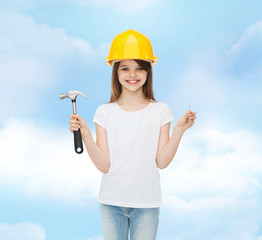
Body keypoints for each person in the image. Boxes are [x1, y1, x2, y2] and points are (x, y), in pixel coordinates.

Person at [69, 29, 196, 240]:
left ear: (148, 71)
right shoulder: (104, 112)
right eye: (125, 68)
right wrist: (85, 134)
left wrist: (179, 131)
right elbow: (104, 165)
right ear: (116, 72)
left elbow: (162, 162)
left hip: (147, 204)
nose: (132, 75)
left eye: (139, 68)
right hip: (111, 203)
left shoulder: (161, 111)